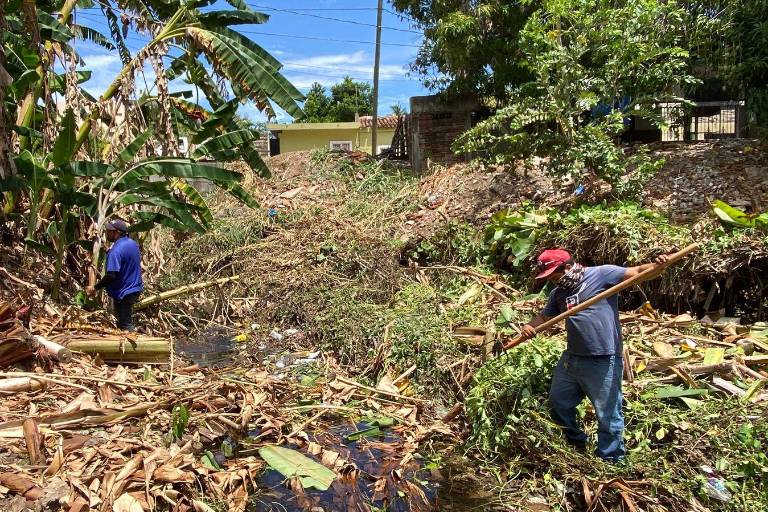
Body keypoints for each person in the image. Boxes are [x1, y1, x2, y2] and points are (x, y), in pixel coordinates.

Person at [520, 248, 673, 462]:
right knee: (559, 403)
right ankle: (576, 443)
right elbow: (545, 316)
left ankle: (610, 460)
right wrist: (529, 327)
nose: (553, 281)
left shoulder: (601, 274)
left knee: (608, 414)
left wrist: (660, 266)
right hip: (572, 357)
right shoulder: (559, 294)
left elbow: (639, 272)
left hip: (603, 358)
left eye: (554, 276)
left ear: (566, 268)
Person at [86, 220, 144, 331]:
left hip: (125, 292)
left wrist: (95, 288)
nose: (107, 233)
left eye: (109, 231)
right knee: (124, 321)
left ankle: (139, 346)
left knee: (125, 325)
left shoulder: (116, 251)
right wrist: (109, 252)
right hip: (135, 288)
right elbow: (125, 259)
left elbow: (111, 276)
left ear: (117, 232)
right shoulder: (132, 244)